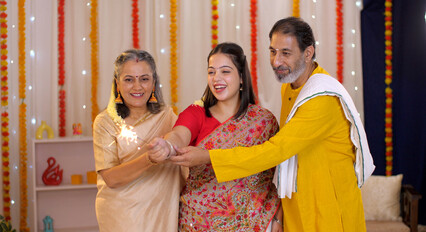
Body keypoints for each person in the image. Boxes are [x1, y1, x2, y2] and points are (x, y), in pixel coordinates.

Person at [170, 17, 375, 232]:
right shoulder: (290, 87)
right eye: (273, 51)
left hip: (327, 203)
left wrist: (208, 156)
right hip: (297, 200)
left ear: (308, 53)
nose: (276, 61)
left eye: (286, 53)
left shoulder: (321, 98)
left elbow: (277, 151)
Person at [147, 42, 283, 231]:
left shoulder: (263, 121)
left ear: (242, 77)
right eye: (211, 72)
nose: (216, 78)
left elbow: (278, 176)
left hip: (256, 221)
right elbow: (179, 135)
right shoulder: (196, 113)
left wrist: (278, 217)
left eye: (225, 71)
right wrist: (167, 146)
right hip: (199, 222)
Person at [93, 49, 184, 232]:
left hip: (162, 211)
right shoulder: (105, 122)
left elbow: (183, 154)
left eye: (144, 78)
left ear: (153, 82)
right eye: (129, 79)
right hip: (122, 216)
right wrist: (149, 159)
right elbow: (110, 178)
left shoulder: (167, 116)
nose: (137, 86)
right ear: (117, 83)